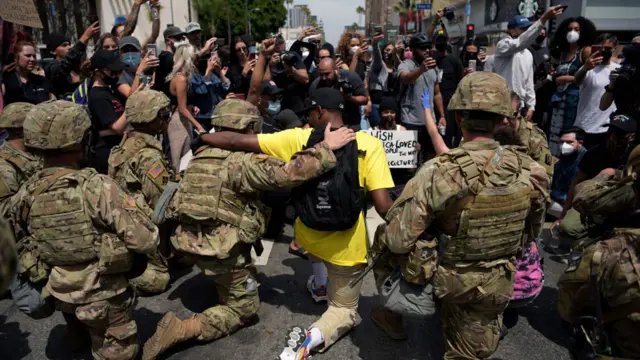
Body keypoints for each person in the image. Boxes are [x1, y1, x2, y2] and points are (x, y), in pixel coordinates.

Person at [191, 38, 394, 360]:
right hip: (347, 244)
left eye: (309, 113)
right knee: (344, 309)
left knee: (316, 250)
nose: (305, 118)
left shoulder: (296, 138)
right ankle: (311, 339)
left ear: (318, 112)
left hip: (307, 235)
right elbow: (383, 206)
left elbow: (235, 140)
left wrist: (200, 137)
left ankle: (318, 279)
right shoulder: (370, 144)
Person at [140, 99, 354, 360]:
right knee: (244, 310)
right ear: (246, 126)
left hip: (186, 242)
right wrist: (326, 148)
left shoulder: (197, 155)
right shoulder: (242, 161)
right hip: (219, 250)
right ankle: (182, 328)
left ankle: (221, 280)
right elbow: (289, 173)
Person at [373, 72, 549, 359]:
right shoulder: (533, 171)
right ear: (503, 119)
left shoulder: (437, 171)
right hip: (497, 281)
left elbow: (397, 239)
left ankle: (393, 314)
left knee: (383, 239)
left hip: (446, 280)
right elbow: (530, 234)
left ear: (459, 118)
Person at [7, 100, 159, 360]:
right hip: (103, 294)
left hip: (58, 289)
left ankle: (78, 332)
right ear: (81, 139)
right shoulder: (98, 187)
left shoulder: (25, 193)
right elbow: (145, 241)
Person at [557, 145, 640, 359]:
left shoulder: (630, 191)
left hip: (619, 256)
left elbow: (583, 197)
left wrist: (605, 175)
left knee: (579, 275)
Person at [107, 90, 173, 294]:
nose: (166, 120)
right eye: (163, 115)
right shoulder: (148, 155)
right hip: (141, 223)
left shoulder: (125, 143)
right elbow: (159, 203)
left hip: (123, 216)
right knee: (159, 279)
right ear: (149, 118)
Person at [551, 115, 636, 250]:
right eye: (611, 131)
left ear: (630, 137)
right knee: (567, 227)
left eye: (619, 134)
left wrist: (614, 172)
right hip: (593, 202)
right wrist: (563, 214)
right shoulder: (595, 153)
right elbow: (577, 183)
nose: (613, 137)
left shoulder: (634, 156)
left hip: (621, 206)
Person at [493, 7, 564, 123]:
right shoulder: (503, 45)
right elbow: (519, 43)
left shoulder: (527, 54)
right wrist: (543, 19)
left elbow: (528, 82)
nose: (526, 31)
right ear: (511, 30)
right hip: (503, 103)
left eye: (528, 28)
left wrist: (531, 105)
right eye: (522, 28)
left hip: (519, 107)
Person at [548, 16, 597, 156]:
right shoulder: (562, 53)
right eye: (569, 29)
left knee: (570, 132)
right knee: (555, 131)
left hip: (574, 100)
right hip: (558, 99)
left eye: (576, 29)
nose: (572, 32)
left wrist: (565, 78)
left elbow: (588, 76)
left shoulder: (585, 51)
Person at [397, 32, 445, 161]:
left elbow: (437, 93)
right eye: (423, 48)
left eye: (428, 47)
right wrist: (421, 69)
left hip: (430, 121)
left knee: (431, 156)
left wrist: (442, 116)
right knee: (411, 159)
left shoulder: (434, 67)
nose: (427, 50)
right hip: (410, 120)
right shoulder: (406, 64)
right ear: (413, 49)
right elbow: (405, 78)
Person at [574, 33, 620, 149]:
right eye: (600, 48)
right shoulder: (589, 68)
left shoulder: (618, 69)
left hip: (606, 128)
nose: (604, 51)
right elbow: (577, 80)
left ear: (615, 49)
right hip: (585, 126)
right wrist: (585, 68)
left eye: (607, 48)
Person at [166, 43, 207, 171]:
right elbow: (182, 109)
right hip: (179, 122)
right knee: (180, 160)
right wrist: (199, 126)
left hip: (183, 119)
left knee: (185, 157)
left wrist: (192, 106)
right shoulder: (181, 79)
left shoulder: (181, 77)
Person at [87, 49, 128, 174]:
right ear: (98, 72)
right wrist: (133, 104)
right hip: (107, 155)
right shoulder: (97, 96)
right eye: (113, 72)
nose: (117, 75)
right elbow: (117, 127)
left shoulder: (109, 91)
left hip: (117, 151)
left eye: (119, 71)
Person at [0, 102, 42, 212]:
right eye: (35, 124)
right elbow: (5, 211)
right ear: (18, 129)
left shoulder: (38, 152)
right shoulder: (4, 164)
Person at [41, 22, 100, 99]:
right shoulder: (50, 66)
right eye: (64, 45)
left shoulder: (76, 66)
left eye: (69, 44)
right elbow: (63, 66)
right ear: (53, 51)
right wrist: (84, 38)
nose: (69, 47)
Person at [308, 57, 368, 127]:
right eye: (321, 74)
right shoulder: (316, 85)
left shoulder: (350, 77)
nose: (324, 78)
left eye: (327, 74)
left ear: (336, 69)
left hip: (351, 123)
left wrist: (348, 97)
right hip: (327, 125)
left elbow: (364, 99)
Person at [433, 30, 464, 147]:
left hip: (450, 106)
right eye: (438, 40)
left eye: (443, 40)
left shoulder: (455, 61)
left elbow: (461, 83)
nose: (441, 43)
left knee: (449, 135)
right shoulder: (432, 61)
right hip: (434, 106)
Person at [548, 127, 587, 218]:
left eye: (569, 142)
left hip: (572, 206)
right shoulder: (566, 157)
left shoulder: (585, 161)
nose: (564, 145)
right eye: (562, 142)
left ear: (580, 143)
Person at [267, 36, 309, 113]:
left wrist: (292, 69)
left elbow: (306, 79)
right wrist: (270, 65)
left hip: (295, 102)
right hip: (274, 103)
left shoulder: (292, 56)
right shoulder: (266, 60)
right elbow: (264, 82)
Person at [368, 33, 400, 127]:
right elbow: (377, 57)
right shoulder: (379, 64)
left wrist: (396, 54)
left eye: (391, 51)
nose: (389, 53)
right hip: (378, 106)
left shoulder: (397, 67)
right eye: (387, 50)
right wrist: (375, 44)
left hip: (392, 108)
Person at [153, 25, 186, 102]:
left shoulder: (164, 56)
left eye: (183, 38)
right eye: (178, 38)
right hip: (169, 102)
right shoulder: (168, 58)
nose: (182, 41)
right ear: (168, 41)